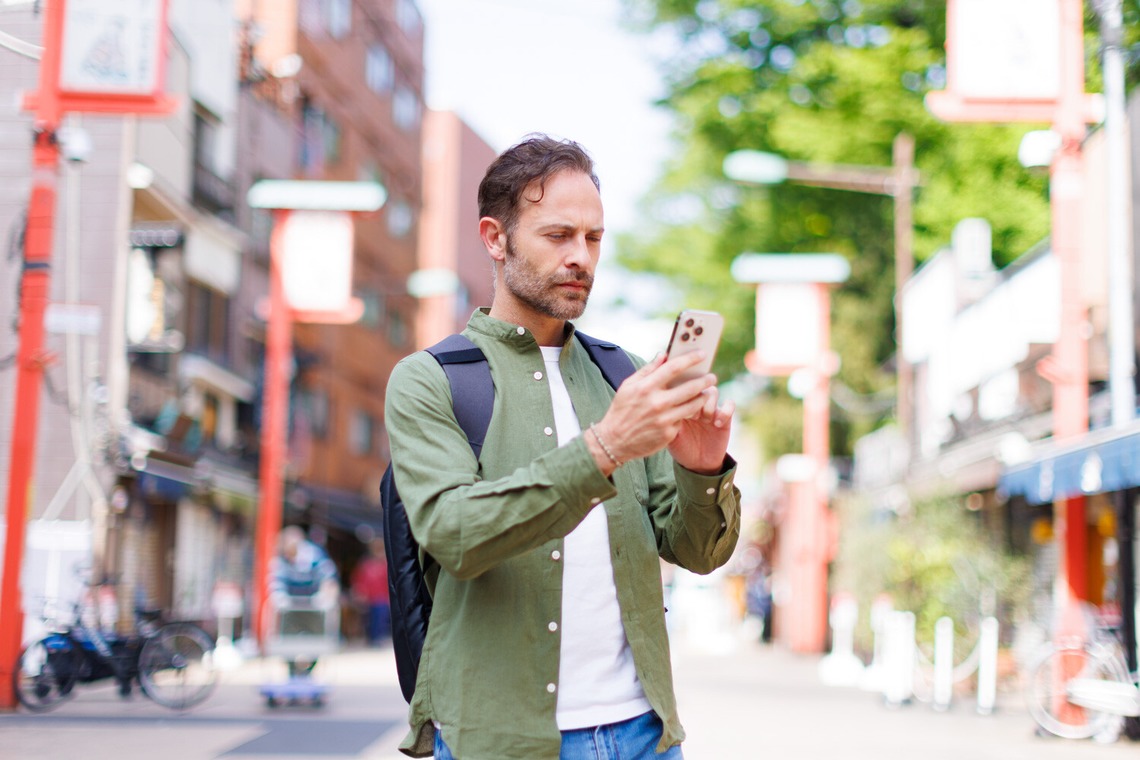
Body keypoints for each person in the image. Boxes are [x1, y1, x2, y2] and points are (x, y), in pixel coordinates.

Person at [385, 134, 741, 759]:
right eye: (558, 236)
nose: (582, 257)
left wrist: (702, 467)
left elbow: (697, 552)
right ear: (495, 238)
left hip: (642, 733)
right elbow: (455, 534)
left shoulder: (623, 374)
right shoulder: (431, 379)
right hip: (496, 739)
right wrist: (602, 448)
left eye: (594, 238)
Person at [268, 525, 339, 674]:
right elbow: (276, 580)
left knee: (317, 640)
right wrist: (279, 596)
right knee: (286, 638)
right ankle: (292, 670)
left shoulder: (315, 556)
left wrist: (324, 597)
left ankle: (309, 670)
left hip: (314, 608)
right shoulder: (281, 559)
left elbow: (328, 579)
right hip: (291, 608)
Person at [351, 539, 391, 646]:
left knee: (381, 619)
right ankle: (371, 639)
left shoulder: (385, 563)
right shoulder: (366, 563)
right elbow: (358, 580)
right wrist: (359, 592)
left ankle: (378, 639)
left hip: (382, 598)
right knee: (369, 620)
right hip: (369, 598)